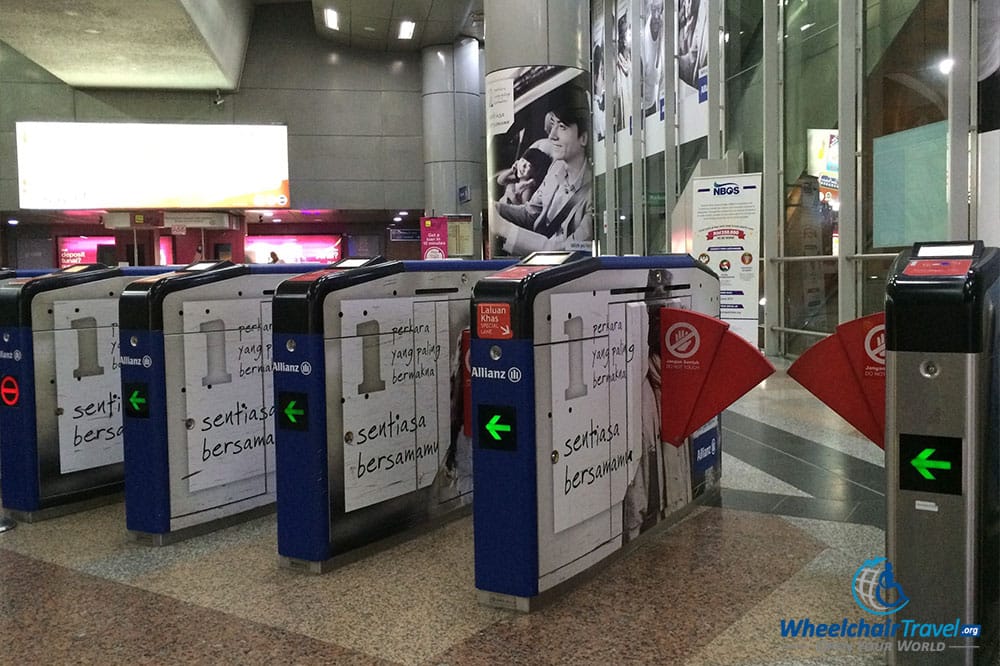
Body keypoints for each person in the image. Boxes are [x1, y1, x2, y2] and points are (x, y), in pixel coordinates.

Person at [492, 88, 593, 254]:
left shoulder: (594, 194)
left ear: (583, 138)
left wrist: (503, 228)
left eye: (562, 127)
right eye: (552, 125)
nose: (552, 135)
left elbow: (562, 250)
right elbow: (530, 213)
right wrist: (498, 208)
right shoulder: (556, 168)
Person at [640, 0, 665, 115]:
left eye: (659, 9)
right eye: (654, 9)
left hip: (658, 94)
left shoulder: (663, 23)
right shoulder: (649, 29)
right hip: (648, 100)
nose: (656, 14)